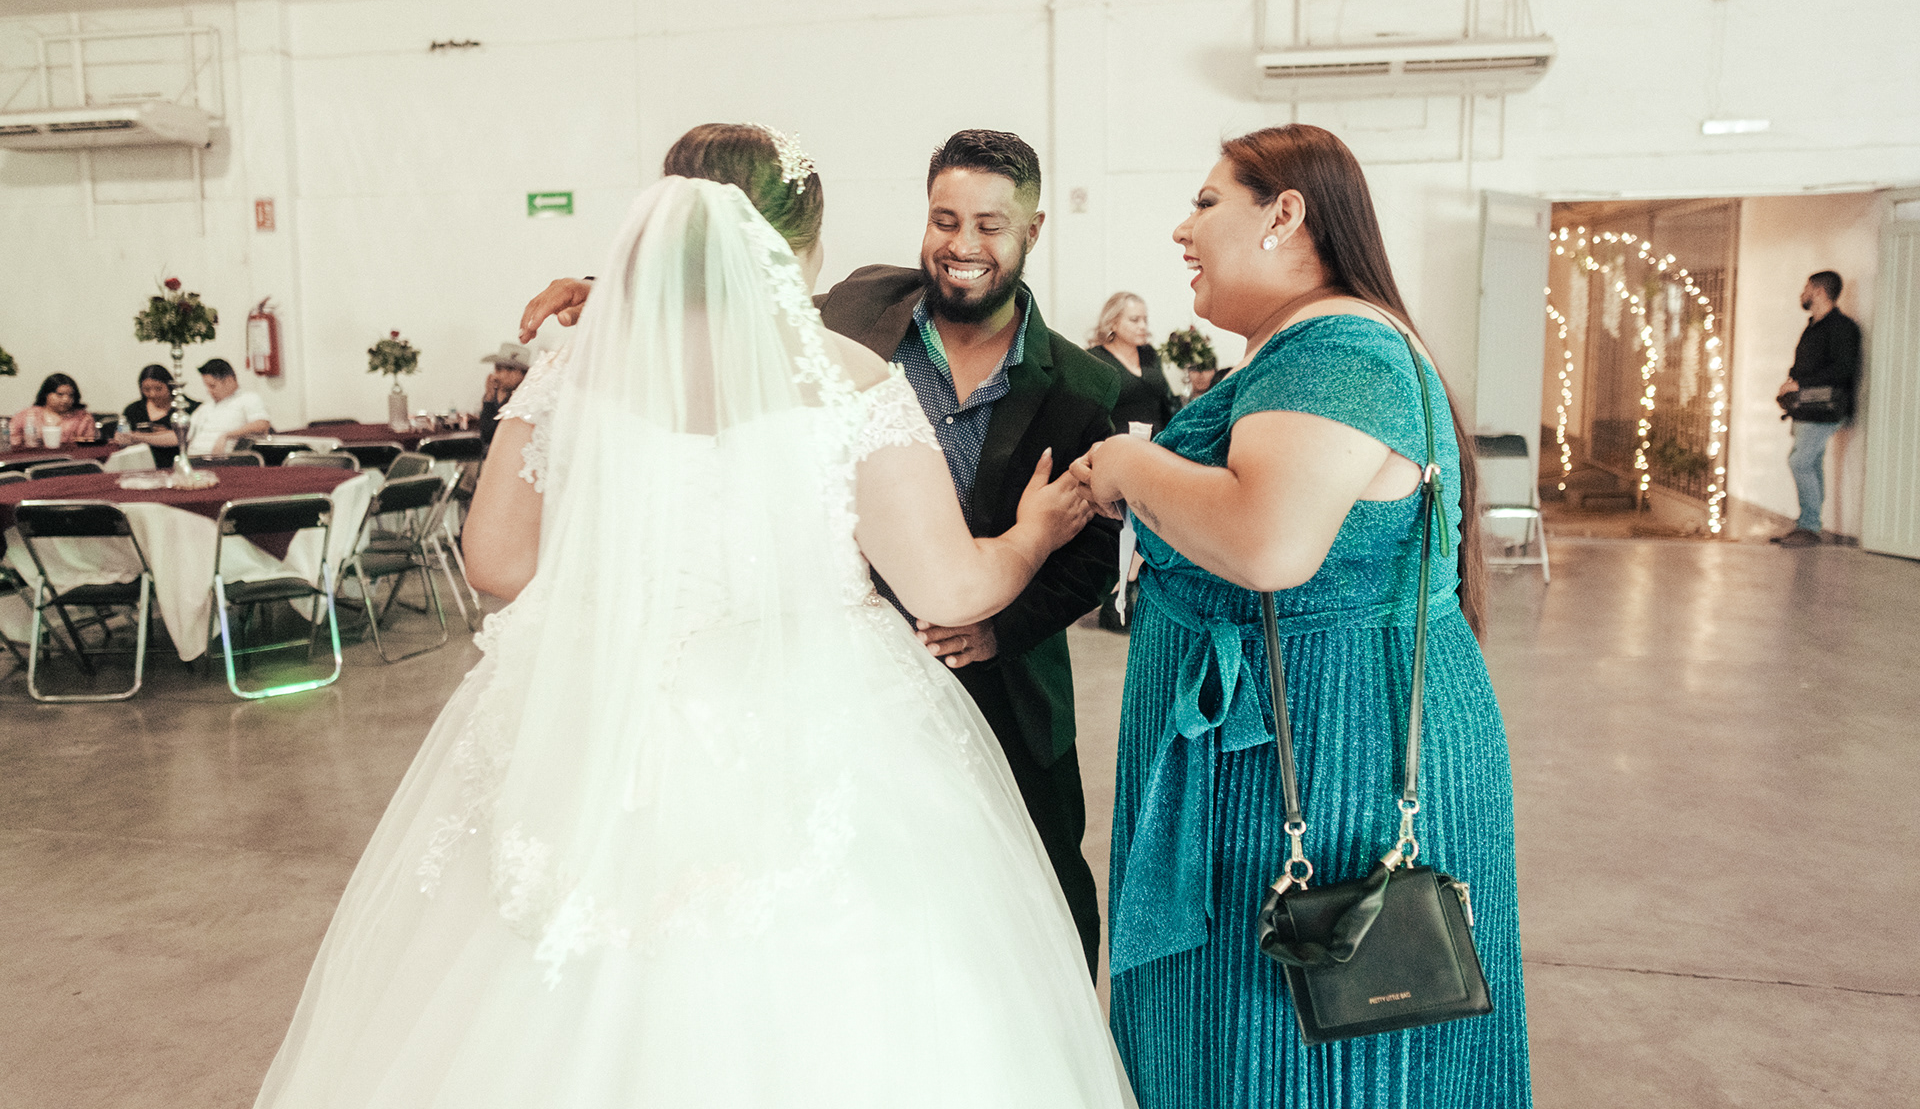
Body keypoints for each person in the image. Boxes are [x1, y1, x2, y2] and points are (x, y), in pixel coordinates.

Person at [252, 131, 1136, 1108]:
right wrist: (1034, 532)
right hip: (808, 711)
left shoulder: (573, 369)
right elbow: (950, 590)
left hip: (599, 718)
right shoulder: (845, 376)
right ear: (799, 246)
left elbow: (496, 560)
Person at [519, 128, 1122, 975]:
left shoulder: (1085, 385)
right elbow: (727, 288)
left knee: (1040, 912)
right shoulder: (852, 308)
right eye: (945, 219)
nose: (962, 244)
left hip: (1005, 688)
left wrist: (997, 627)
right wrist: (619, 294)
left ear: (1033, 229)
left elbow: (1094, 553)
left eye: (990, 225)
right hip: (833, 691)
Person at [1070, 124, 1531, 1107]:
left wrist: (1130, 463)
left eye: (1205, 203)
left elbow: (1267, 543)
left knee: (1303, 1051)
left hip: (1327, 761)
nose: (1182, 229)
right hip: (1300, 747)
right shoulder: (1310, 348)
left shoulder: (1338, 348)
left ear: (1284, 213)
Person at [1771, 269, 1862, 547]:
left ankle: (1809, 526)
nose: (1803, 293)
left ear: (1820, 291)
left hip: (1825, 410)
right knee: (1811, 462)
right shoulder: (1813, 326)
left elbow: (1843, 369)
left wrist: (1800, 384)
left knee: (1799, 462)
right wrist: (1791, 384)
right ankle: (1809, 525)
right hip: (1806, 409)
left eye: (1807, 287)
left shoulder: (1842, 327)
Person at [1088, 293, 1177, 434]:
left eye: (1145, 320)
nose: (1143, 326)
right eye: (1134, 320)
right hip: (1116, 442)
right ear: (1113, 323)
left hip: (1157, 441)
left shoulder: (1150, 354)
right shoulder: (1096, 359)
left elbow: (1167, 401)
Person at [115, 364, 199, 468]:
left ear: (169, 386)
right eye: (147, 389)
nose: (152, 394)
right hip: (141, 466)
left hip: (177, 464)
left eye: (158, 389)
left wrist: (137, 436)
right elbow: (121, 434)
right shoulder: (133, 410)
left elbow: (179, 437)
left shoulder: (187, 408)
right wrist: (123, 436)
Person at [184, 358, 271, 455]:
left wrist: (227, 435)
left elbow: (261, 425)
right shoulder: (205, 407)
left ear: (229, 380)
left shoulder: (248, 399)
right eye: (207, 386)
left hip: (225, 459)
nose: (208, 391)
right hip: (193, 457)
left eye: (212, 386)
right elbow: (184, 434)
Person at [9, 373, 98, 448]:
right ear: (46, 394)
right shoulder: (26, 415)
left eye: (71, 395)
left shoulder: (83, 418)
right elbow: (12, 442)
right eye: (60, 394)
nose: (66, 400)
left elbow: (88, 447)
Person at [475, 341, 531, 450]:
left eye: (500, 370)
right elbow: (484, 434)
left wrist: (489, 400)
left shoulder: (522, 400)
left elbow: (491, 435)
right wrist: (489, 398)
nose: (496, 376)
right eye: (497, 369)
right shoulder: (495, 392)